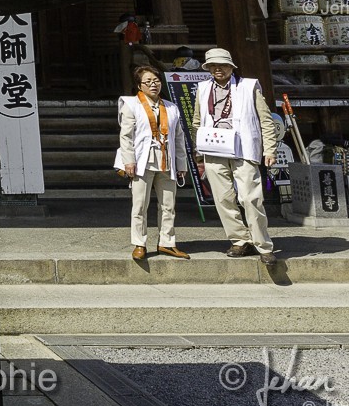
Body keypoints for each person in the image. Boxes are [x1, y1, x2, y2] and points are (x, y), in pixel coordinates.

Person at [193, 47, 281, 264]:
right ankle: (240, 240)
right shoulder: (203, 89)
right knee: (223, 197)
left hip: (245, 148)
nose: (217, 69)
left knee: (250, 198)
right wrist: (198, 148)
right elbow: (197, 121)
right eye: (213, 66)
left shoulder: (249, 86)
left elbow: (266, 120)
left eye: (222, 65)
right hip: (214, 148)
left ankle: (263, 245)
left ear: (231, 67)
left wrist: (269, 149)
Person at [116, 65, 189, 260]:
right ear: (139, 86)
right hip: (143, 160)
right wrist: (128, 161)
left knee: (168, 204)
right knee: (140, 204)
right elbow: (126, 136)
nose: (153, 85)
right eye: (147, 82)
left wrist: (181, 164)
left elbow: (179, 137)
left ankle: (167, 242)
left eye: (156, 80)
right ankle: (139, 243)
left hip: (166, 160)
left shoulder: (171, 107)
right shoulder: (131, 105)